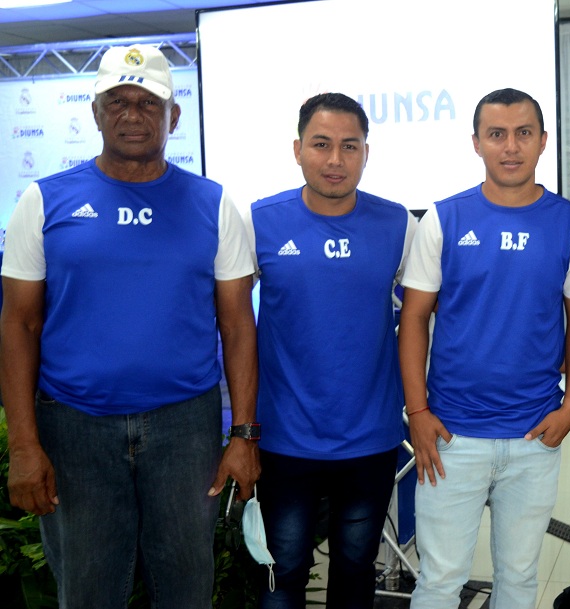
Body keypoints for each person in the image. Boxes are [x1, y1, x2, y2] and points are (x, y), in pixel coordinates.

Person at [0, 45, 259, 608]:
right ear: (95, 112)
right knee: (89, 593)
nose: (132, 114)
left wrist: (243, 434)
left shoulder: (215, 205)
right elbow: (18, 324)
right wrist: (24, 444)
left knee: (187, 592)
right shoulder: (44, 200)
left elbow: (238, 326)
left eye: (148, 102)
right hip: (74, 428)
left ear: (174, 117)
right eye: (118, 101)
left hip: (184, 427)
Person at [398, 88, 570, 609]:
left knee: (519, 578)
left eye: (523, 133)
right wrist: (417, 410)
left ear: (541, 142)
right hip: (452, 437)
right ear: (477, 143)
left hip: (535, 437)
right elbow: (415, 318)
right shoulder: (444, 219)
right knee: (440, 580)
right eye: (497, 134)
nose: (510, 147)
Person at [244, 92, 417, 609]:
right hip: (283, 439)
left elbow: (424, 317)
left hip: (370, 438)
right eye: (321, 145)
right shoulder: (259, 222)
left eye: (350, 146)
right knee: (284, 572)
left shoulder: (398, 225)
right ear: (297, 149)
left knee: (354, 573)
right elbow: (230, 323)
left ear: (367, 152)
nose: (335, 159)